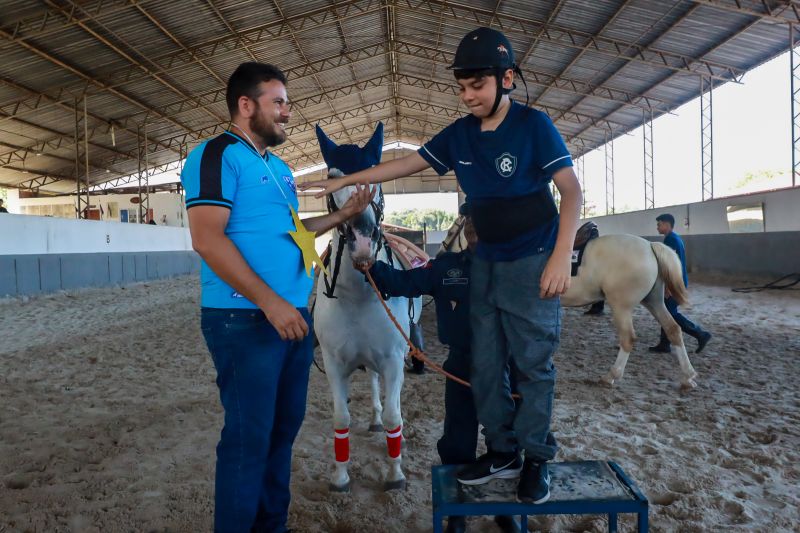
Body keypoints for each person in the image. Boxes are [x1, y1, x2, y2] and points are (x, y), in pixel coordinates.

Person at [301, 27, 582, 505]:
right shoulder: (460, 134)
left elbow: (571, 191)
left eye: (477, 85)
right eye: (462, 87)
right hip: (486, 261)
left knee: (533, 365)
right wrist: (348, 179)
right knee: (486, 364)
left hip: (531, 259)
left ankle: (535, 458)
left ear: (507, 78)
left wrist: (561, 255)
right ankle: (501, 450)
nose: (468, 95)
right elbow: (404, 165)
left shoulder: (534, 126)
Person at [181, 62, 374, 533]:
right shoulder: (215, 156)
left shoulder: (280, 168)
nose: (287, 113)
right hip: (245, 319)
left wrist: (343, 215)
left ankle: (271, 525)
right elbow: (207, 240)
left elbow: (295, 235)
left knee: (282, 432)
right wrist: (271, 303)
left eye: (286, 103)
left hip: (291, 320)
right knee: (249, 439)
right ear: (246, 105)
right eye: (279, 103)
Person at [367, 205, 519, 533]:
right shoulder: (447, 268)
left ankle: (505, 510)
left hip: (509, 366)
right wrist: (372, 266)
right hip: (461, 366)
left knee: (505, 441)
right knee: (457, 440)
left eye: (483, 230)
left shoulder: (519, 268)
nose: (476, 236)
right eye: (471, 230)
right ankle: (458, 514)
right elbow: (404, 282)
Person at [649, 213, 712, 354]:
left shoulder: (671, 240)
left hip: (674, 283)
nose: (657, 227)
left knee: (671, 315)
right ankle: (664, 344)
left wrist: (668, 286)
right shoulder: (674, 238)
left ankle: (700, 334)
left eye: (659, 224)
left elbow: (670, 266)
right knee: (666, 312)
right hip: (678, 281)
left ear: (666, 224)